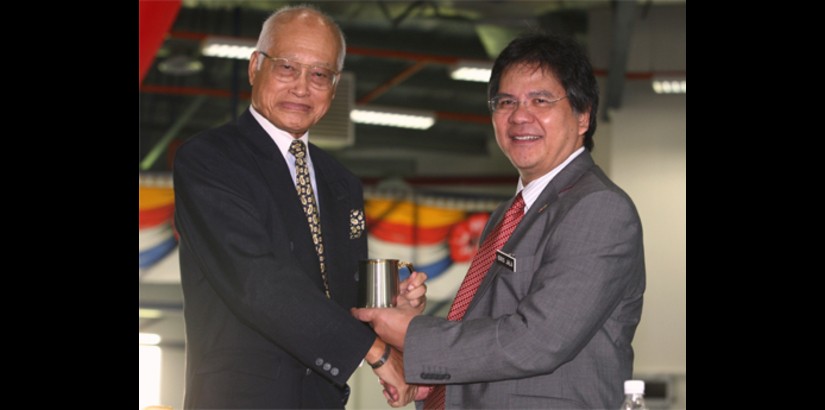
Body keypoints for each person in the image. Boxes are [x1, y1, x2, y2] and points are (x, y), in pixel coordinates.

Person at [353, 31, 646, 409]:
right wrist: (427, 379)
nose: (519, 116)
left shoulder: (598, 209)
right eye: (506, 102)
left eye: (540, 100)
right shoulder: (509, 214)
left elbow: (537, 341)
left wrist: (413, 335)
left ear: (583, 115)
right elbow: (492, 339)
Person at [174, 5, 422, 409]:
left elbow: (339, 295)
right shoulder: (210, 160)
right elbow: (259, 282)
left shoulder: (341, 182)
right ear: (255, 67)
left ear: (335, 85)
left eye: (320, 74)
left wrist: (392, 311)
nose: (302, 87)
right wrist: (376, 354)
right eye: (287, 67)